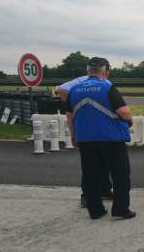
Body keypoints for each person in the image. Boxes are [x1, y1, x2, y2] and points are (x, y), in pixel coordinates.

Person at [65, 57, 136, 220]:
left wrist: (74, 135)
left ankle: (96, 210)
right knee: (120, 175)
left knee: (91, 175)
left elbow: (69, 116)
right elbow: (123, 111)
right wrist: (129, 120)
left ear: (88, 71)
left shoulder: (74, 89)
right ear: (105, 71)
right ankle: (120, 209)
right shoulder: (108, 87)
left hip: (86, 139)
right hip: (111, 138)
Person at [57, 76, 113, 207]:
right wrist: (73, 103)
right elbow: (61, 90)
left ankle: (104, 189)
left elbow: (61, 89)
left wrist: (74, 103)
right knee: (91, 165)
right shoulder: (106, 83)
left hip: (90, 127)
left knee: (101, 163)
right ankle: (87, 195)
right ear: (105, 70)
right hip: (96, 127)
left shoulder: (80, 82)